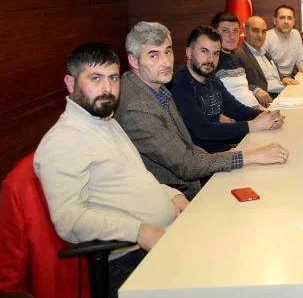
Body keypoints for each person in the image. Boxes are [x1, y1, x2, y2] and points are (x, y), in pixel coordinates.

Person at [33, 43, 186, 295]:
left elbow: (136, 179)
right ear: (70, 83)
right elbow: (70, 220)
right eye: (95, 78)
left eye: (113, 78)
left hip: (163, 236)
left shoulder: (105, 121)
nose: (107, 88)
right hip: (129, 260)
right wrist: (139, 232)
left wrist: (173, 196)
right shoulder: (64, 140)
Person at [117, 22, 289, 197]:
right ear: (133, 60)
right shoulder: (138, 107)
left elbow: (186, 144)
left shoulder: (158, 88)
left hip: (199, 170)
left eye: (167, 52)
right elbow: (187, 164)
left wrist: (232, 153)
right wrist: (249, 156)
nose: (166, 62)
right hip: (177, 193)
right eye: (154, 55)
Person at [170, 26, 284, 153]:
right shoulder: (179, 85)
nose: (211, 59)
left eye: (216, 53)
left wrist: (268, 116)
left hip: (224, 150)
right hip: (204, 159)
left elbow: (237, 109)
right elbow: (204, 130)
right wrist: (254, 125)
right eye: (204, 51)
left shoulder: (212, 79)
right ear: (189, 53)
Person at [234, 16, 293, 99]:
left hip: (283, 93)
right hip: (269, 99)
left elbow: (272, 74)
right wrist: (255, 90)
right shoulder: (238, 54)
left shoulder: (264, 52)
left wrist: (283, 78)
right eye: (255, 30)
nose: (260, 35)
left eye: (264, 31)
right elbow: (235, 85)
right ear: (245, 31)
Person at [210, 11, 260, 107]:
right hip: (242, 115)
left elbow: (244, 91)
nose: (232, 37)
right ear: (214, 33)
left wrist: (262, 110)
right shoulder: (210, 62)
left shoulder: (237, 58)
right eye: (225, 31)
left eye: (235, 31)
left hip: (256, 109)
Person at [264, 5, 303, 78]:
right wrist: (282, 78)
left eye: (289, 18)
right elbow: (264, 68)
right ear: (274, 21)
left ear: (293, 22)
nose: (286, 22)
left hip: (289, 79)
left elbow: (301, 59)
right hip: (272, 79)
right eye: (282, 18)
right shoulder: (266, 37)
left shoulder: (296, 34)